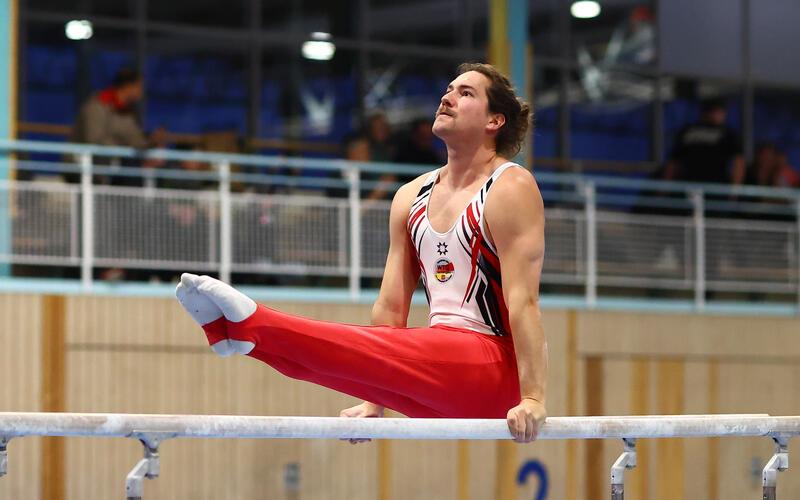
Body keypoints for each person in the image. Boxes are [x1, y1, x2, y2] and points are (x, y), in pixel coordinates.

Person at [175, 62, 548, 443]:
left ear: (495, 121)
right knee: (329, 367)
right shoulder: (411, 196)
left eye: (466, 93)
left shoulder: (510, 186)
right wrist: (373, 402)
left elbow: (523, 302)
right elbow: (390, 307)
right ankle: (243, 338)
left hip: (493, 372)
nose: (447, 97)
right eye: (448, 89)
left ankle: (253, 325)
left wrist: (533, 397)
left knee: (356, 349)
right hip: (438, 380)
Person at [664, 98, 745, 185]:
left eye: (722, 112)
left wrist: (735, 189)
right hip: (690, 183)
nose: (721, 115)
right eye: (718, 111)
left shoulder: (728, 133)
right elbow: (673, 162)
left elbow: (738, 161)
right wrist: (665, 187)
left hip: (716, 185)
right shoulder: (687, 130)